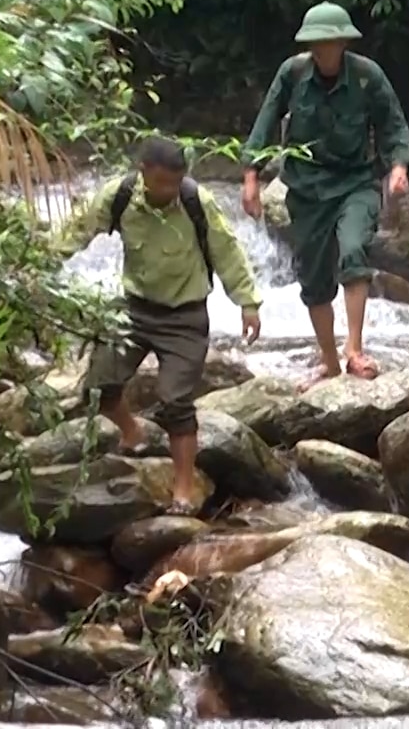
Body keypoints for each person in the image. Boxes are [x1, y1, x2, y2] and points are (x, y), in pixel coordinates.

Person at [56, 137, 263, 516]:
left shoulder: (194, 201)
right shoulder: (118, 196)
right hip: (134, 308)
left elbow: (227, 250)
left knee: (175, 402)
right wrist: (36, 264)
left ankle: (183, 489)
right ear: (143, 174)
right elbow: (76, 232)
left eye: (175, 182)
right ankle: (132, 432)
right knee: (97, 388)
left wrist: (248, 303)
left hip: (185, 316)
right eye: (161, 183)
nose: (169, 190)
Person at [240, 1, 409, 389]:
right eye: (316, 44)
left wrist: (399, 168)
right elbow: (266, 122)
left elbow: (394, 128)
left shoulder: (368, 77)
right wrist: (251, 176)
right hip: (307, 187)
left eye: (330, 43)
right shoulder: (293, 73)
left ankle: (354, 349)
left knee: (353, 249)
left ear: (343, 43)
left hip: (356, 182)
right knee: (314, 276)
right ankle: (329, 361)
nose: (323, 51)